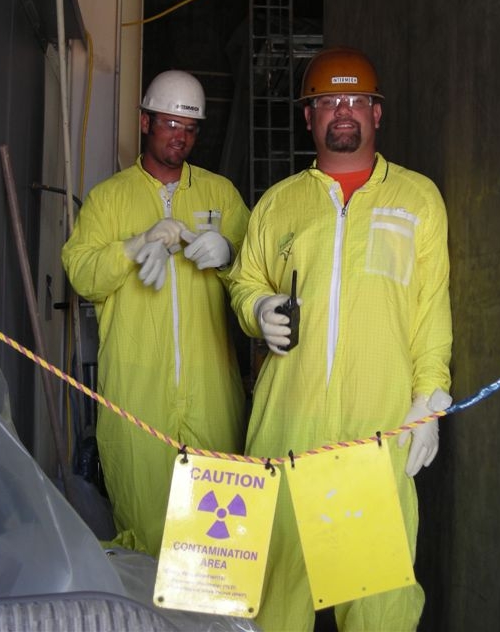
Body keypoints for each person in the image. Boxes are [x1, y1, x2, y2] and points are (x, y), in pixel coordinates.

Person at [228, 47, 453, 631]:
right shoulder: (280, 203)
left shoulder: (416, 199)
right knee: (275, 597)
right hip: (287, 430)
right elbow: (246, 277)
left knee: (377, 606)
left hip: (372, 435)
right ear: (310, 117)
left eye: (357, 100)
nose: (343, 111)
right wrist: (256, 306)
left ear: (378, 114)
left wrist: (430, 397)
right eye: (329, 101)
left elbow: (431, 308)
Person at [62, 69, 250, 556]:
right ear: (145, 122)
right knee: (146, 528)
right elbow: (82, 273)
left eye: (189, 129)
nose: (179, 137)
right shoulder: (109, 198)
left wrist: (229, 252)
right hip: (136, 391)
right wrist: (136, 243)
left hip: (211, 389)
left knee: (217, 534)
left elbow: (258, 274)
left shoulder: (221, 195)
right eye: (169, 124)